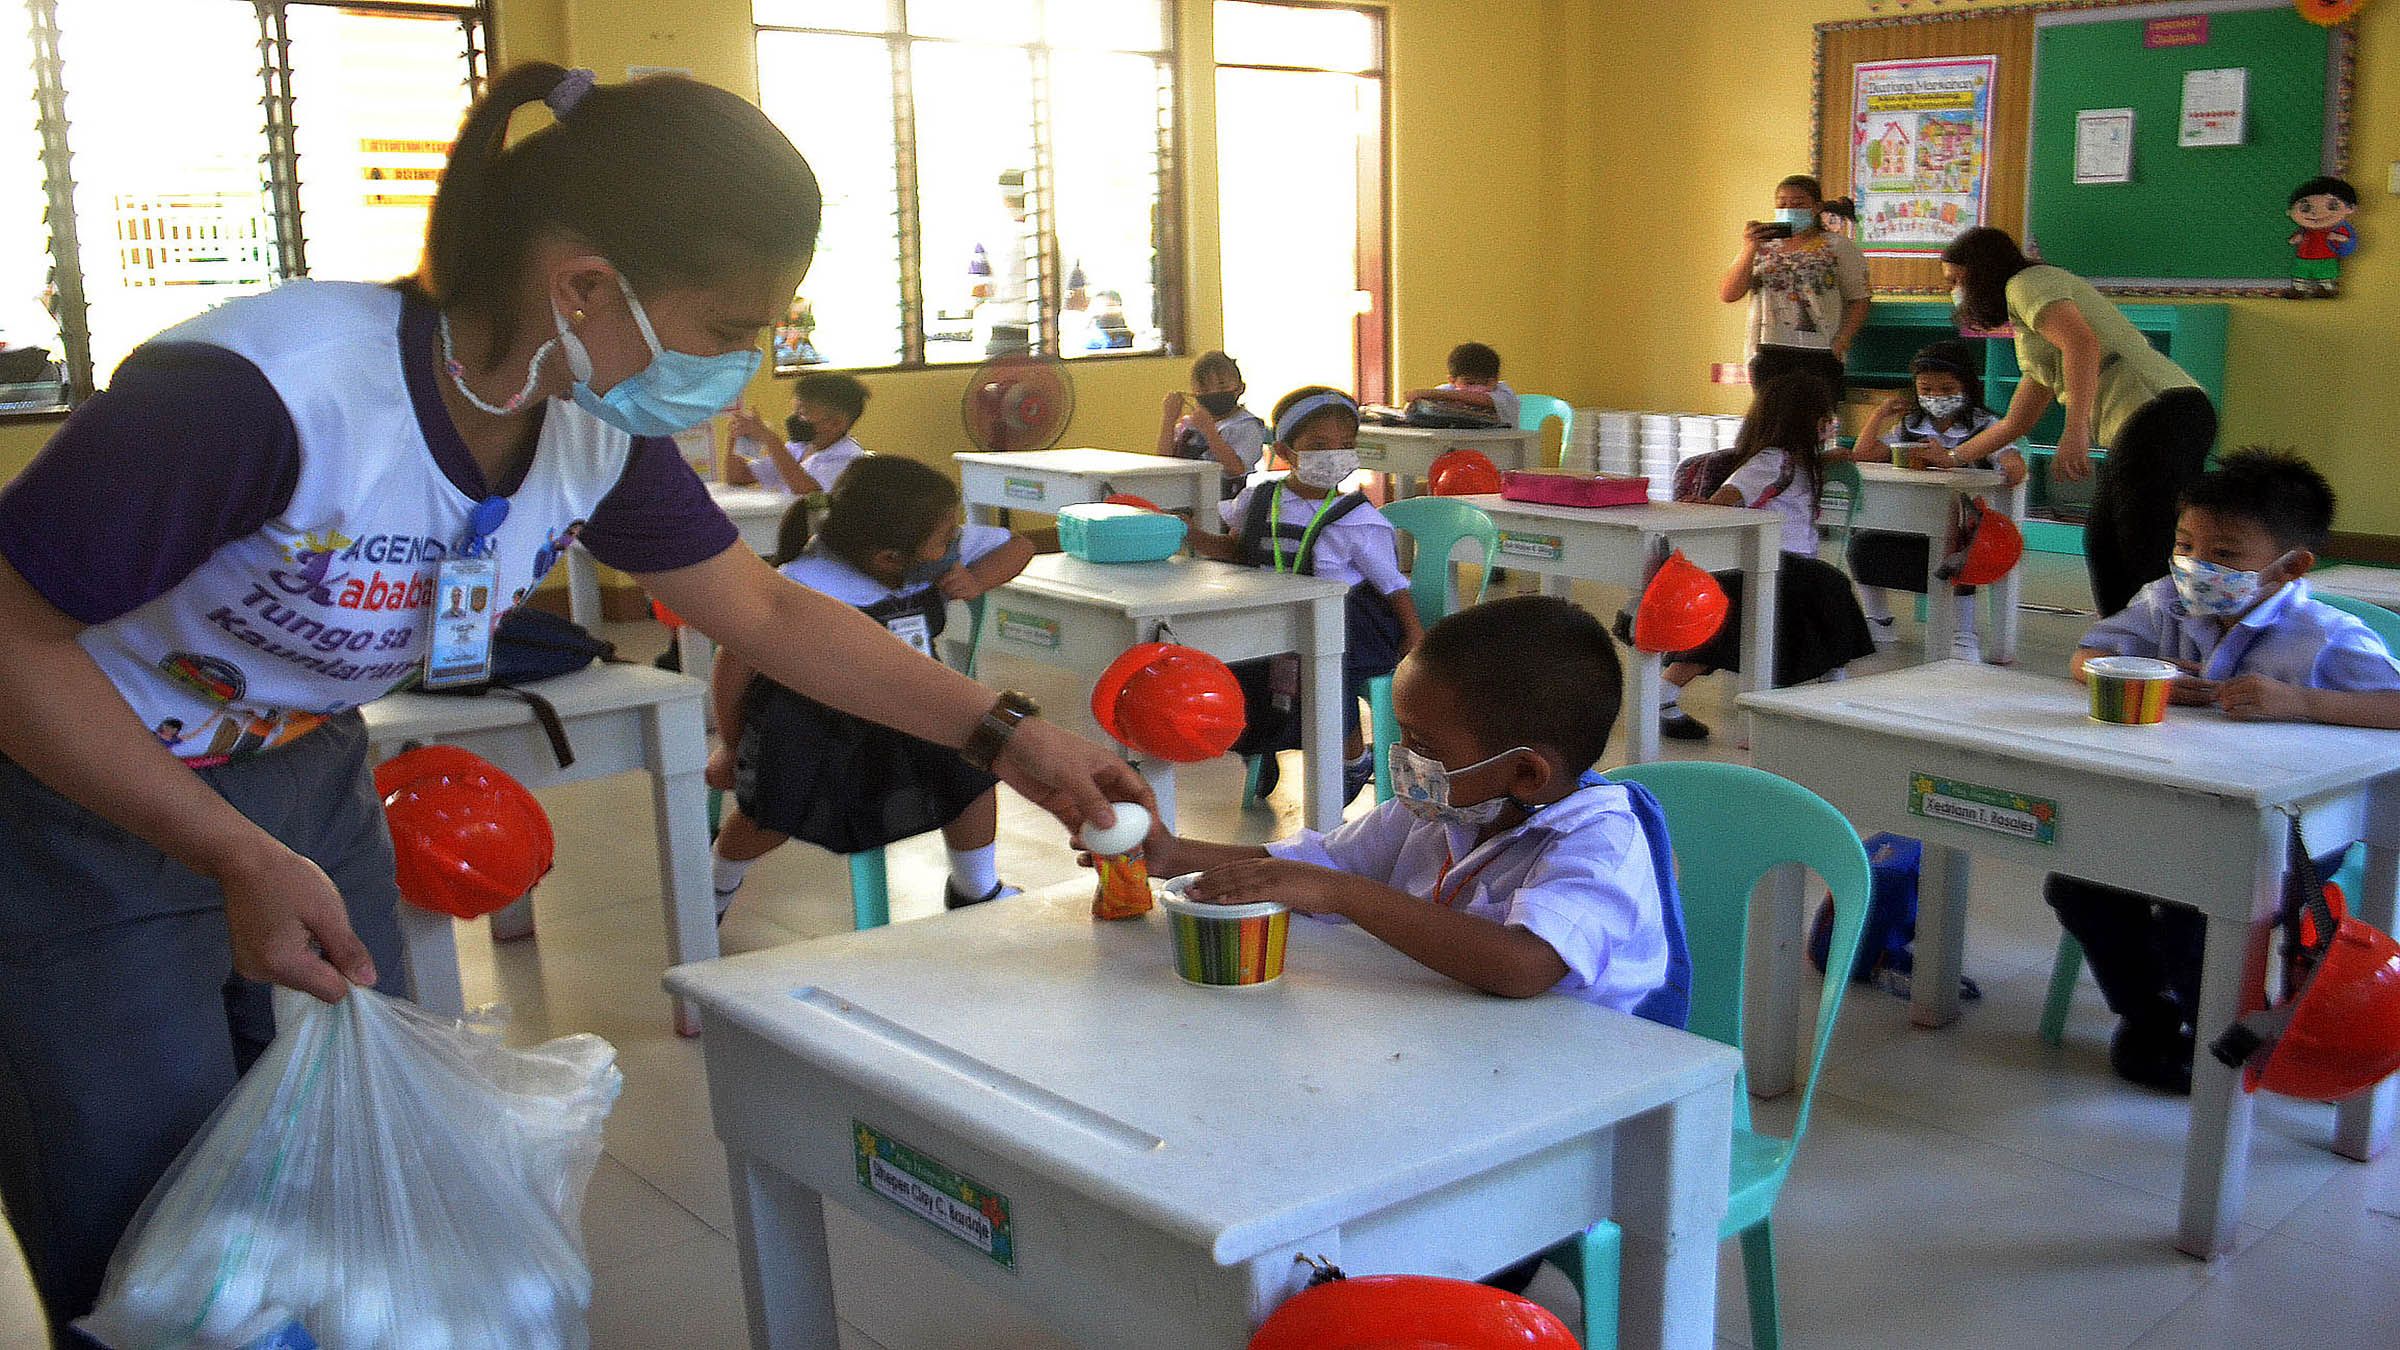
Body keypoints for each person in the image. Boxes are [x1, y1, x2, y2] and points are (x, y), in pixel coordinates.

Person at [0, 65, 1145, 1341]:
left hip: (299, 783)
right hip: (69, 801)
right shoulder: (263, 394)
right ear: (586, 286)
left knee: (337, 1189)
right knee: (141, 1227)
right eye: (725, 330)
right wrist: (221, 846)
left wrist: (1011, 735)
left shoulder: (588, 419)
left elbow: (761, 613)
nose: (741, 371)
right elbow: (9, 641)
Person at [2048, 450, 2400, 1093]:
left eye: (2226, 555)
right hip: (2173, 804)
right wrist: (2151, 681)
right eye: (2185, 545)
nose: (2196, 568)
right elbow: (2088, 655)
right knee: (2079, 883)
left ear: (2290, 567)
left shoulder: (2330, 637)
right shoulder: (2164, 604)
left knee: (2198, 909)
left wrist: (2302, 702)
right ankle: (2149, 1016)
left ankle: (2221, 1033)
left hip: (2292, 828)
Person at [708, 459, 1037, 914]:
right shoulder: (804, 585)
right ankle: (718, 885)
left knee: (974, 778)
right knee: (769, 819)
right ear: (888, 559)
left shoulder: (921, 548)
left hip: (916, 713)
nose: (955, 544)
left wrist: (977, 578)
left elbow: (1018, 546)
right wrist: (731, 745)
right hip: (810, 731)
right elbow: (734, 664)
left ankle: (976, 889)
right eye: (945, 539)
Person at [1940, 226, 2218, 617]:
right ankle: (2127, 637)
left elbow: (2081, 343)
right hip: (2164, 418)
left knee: (2140, 542)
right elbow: (2015, 422)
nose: (1954, 291)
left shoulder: (2027, 282)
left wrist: (2075, 431)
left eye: (1956, 281)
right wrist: (1951, 457)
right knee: (2107, 542)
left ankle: (2162, 642)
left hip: (2162, 410)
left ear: (1980, 271)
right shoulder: (2030, 327)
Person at [1193, 387, 1423, 802]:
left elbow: (1393, 585)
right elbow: (1236, 547)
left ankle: (1351, 756)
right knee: (1241, 666)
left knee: (1327, 672)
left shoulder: (1357, 519)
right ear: (1285, 450)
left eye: (1346, 445)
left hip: (1345, 621)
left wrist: (1414, 634)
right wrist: (1191, 535)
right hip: (1271, 613)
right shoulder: (1260, 496)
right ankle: (1260, 744)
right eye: (1318, 445)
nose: (1334, 454)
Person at [1656, 374, 1877, 741]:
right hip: (1768, 564)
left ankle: (1665, 697)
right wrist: (1711, 506)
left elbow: (1832, 456)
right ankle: (1830, 693)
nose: (1831, 423)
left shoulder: (1799, 458)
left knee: (1732, 633)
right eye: (1824, 417)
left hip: (1778, 566)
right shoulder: (1773, 461)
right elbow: (1732, 494)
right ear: (1801, 420)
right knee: (1830, 590)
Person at [1845, 339, 2026, 663]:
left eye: (1946, 388)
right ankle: (1879, 621)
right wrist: (1879, 415)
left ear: (1966, 386)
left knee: (1956, 548)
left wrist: (2001, 463)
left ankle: (1963, 633)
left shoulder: (1985, 425)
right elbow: (1864, 454)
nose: (1936, 397)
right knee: (1861, 544)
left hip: (1966, 533)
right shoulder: (1912, 426)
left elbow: (2014, 464)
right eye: (1927, 389)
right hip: (1910, 522)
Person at [1719, 174, 1871, 402]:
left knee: (1816, 424)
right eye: (1782, 204)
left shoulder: (1838, 246)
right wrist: (1749, 247)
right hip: (1767, 349)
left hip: (1821, 350)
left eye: (1799, 204)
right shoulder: (1762, 246)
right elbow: (1729, 294)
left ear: (1816, 207)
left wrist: (1842, 340)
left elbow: (1860, 298)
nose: (1789, 208)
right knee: (1771, 426)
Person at [723, 370, 873, 496]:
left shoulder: (849, 459)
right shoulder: (797, 448)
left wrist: (771, 440)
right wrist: (736, 434)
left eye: (803, 413)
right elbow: (738, 477)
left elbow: (809, 494)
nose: (795, 419)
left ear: (835, 423)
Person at [1154, 349, 1267, 498]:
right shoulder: (1191, 424)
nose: (1213, 392)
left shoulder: (1247, 426)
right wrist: (1169, 419)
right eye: (1204, 389)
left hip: (1225, 501)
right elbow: (1164, 460)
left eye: (1222, 386)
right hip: (1183, 496)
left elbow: (1236, 469)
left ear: (1240, 388)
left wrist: (1210, 431)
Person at [969, 169, 1035, 357]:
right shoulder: (1051, 239)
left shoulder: (989, 238)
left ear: (1004, 199)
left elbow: (978, 290)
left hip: (1004, 335)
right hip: (1047, 337)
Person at [1401, 341, 1520, 428]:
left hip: (1499, 448)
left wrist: (1427, 393)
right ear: (1452, 381)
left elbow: (1483, 400)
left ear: (1497, 378)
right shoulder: (1447, 390)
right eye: (1469, 383)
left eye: (1486, 382)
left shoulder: (1504, 393)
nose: (1478, 388)